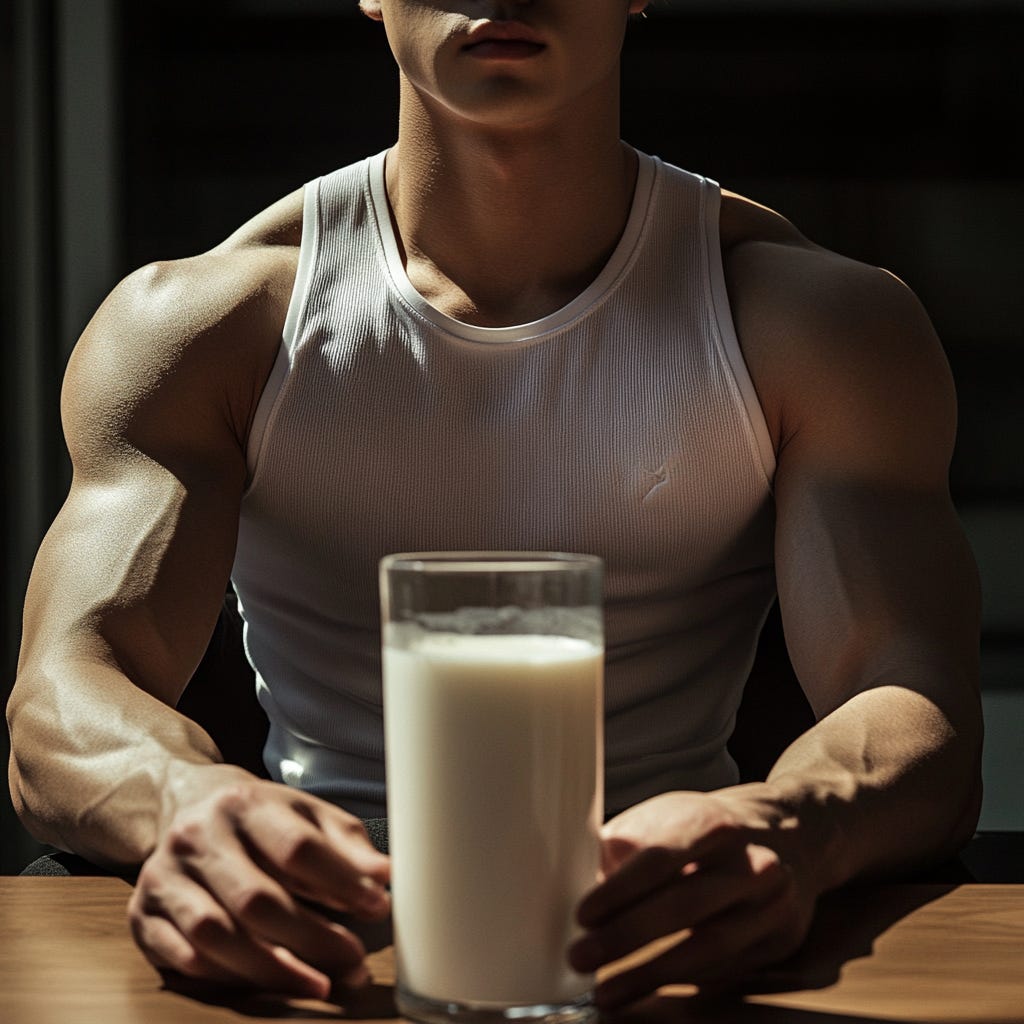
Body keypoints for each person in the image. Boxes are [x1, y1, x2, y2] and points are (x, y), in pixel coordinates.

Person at [7, 0, 983, 1013]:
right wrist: (183, 802)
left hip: (669, 943)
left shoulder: (813, 325)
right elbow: (62, 690)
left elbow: (918, 701)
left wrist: (791, 824)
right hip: (326, 954)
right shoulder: (204, 327)